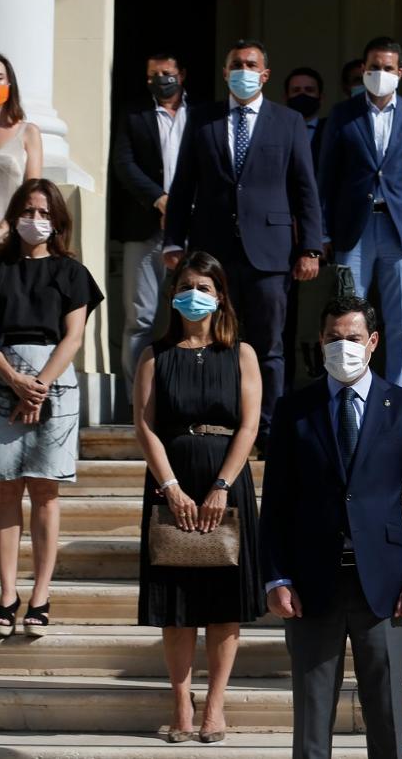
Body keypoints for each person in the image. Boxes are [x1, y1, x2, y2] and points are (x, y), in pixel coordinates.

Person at [260, 295, 402, 759]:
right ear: (321, 343)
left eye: (353, 338)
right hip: (311, 584)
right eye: (334, 339)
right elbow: (276, 503)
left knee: (385, 711)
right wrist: (277, 577)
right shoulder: (293, 410)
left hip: (383, 583)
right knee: (312, 718)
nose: (344, 347)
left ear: (373, 341)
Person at [163, 39, 322, 451]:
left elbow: (305, 189)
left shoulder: (288, 122)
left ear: (265, 74)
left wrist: (310, 248)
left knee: (268, 345)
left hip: (270, 254)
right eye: (236, 63)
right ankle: (217, 424)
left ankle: (268, 429)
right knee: (209, 339)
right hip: (212, 251)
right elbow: (183, 187)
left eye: (251, 64)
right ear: (224, 71)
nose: (244, 69)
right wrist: (172, 243)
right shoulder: (201, 119)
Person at [132, 251, 264, 743]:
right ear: (173, 294)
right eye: (187, 285)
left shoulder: (242, 354)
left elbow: (249, 424)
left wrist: (221, 486)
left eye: (205, 286)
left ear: (220, 295)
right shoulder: (154, 354)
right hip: (171, 480)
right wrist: (169, 487)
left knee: (223, 603)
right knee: (177, 602)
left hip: (225, 479)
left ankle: (215, 705)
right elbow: (144, 425)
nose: (195, 294)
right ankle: (180, 704)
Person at [0, 179, 103, 638]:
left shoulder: (72, 272)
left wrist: (37, 385)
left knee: (44, 492)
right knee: (4, 490)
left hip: (53, 384)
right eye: (28, 210)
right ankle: (6, 593)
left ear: (57, 220)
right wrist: (13, 380)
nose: (35, 220)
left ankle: (41, 594)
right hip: (3, 379)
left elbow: (74, 336)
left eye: (44, 213)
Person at [318, 37, 402, 392]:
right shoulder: (342, 114)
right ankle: (348, 388)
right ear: (363, 70)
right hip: (354, 229)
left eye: (387, 68)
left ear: (399, 72)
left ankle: (401, 395)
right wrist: (322, 232)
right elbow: (326, 177)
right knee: (349, 315)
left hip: (399, 228)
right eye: (373, 68)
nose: (379, 74)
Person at [111, 51, 189, 400]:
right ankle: (136, 401)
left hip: (191, 229)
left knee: (193, 313)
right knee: (140, 318)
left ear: (181, 75)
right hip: (144, 228)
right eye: (153, 75)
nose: (161, 80)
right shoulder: (133, 115)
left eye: (167, 73)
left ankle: (186, 395)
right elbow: (124, 164)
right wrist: (159, 199)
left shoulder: (201, 116)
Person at [0, 54, 44, 241]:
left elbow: (31, 190)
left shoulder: (28, 132)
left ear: (9, 83)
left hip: (8, 235)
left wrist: (8, 225)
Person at [284, 66, 324, 168]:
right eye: (296, 90)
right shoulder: (274, 131)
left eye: (309, 90)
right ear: (286, 97)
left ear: (321, 97)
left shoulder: (332, 131)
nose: (302, 94)